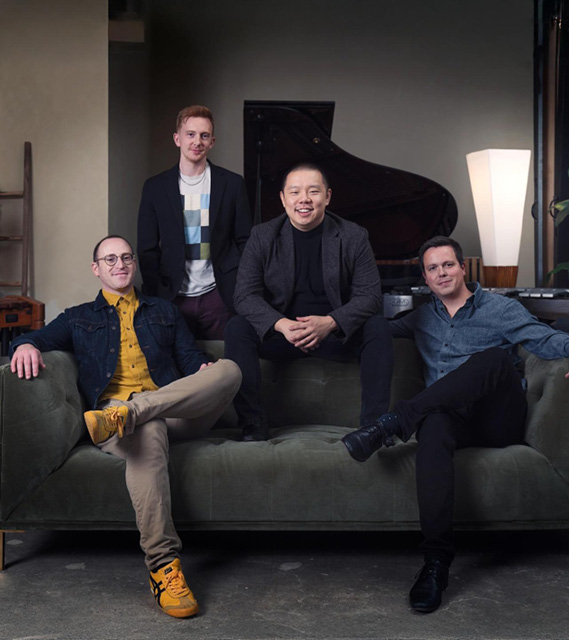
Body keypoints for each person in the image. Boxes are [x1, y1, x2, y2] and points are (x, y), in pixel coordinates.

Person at [342, 236, 569, 614]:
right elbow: (371, 334)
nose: (441, 273)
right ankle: (435, 563)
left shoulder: (499, 309)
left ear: (463, 268)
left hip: (498, 419)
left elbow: (543, 337)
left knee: (492, 359)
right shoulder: (421, 317)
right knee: (432, 425)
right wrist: (326, 326)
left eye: (448, 265)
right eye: (432, 268)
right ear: (425, 279)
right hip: (451, 420)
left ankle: (394, 422)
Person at [9, 235, 242, 618]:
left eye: (126, 257)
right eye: (110, 259)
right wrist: (25, 346)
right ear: (96, 268)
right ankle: (164, 568)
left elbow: (190, 359)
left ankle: (135, 412)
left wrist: (202, 370)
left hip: (167, 410)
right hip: (113, 416)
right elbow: (36, 336)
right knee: (147, 430)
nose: (120, 264)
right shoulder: (78, 317)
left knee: (229, 369)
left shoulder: (165, 311)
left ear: (134, 264)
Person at [224, 162, 393, 441]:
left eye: (313, 191)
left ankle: (373, 427)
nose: (304, 199)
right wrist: (280, 324)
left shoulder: (353, 236)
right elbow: (244, 295)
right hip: (283, 335)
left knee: (378, 327)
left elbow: (370, 296)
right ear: (283, 199)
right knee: (237, 327)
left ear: (327, 196)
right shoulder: (263, 236)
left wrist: (329, 323)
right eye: (295, 192)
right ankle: (252, 423)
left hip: (334, 335)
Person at [137, 105, 253, 339]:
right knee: (180, 367)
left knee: (223, 367)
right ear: (177, 138)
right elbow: (147, 248)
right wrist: (159, 294)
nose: (197, 141)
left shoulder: (232, 184)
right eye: (190, 134)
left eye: (204, 135)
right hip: (173, 297)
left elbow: (245, 241)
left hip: (219, 297)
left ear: (212, 141)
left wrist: (235, 286)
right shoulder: (155, 187)